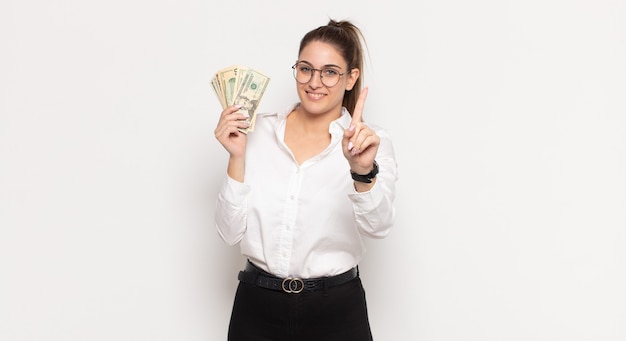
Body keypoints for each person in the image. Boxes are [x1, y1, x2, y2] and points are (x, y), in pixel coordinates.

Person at [213, 19, 398, 341]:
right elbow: (228, 233)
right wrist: (236, 156)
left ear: (351, 77)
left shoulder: (371, 142)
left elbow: (378, 227)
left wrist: (361, 171)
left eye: (330, 71)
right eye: (305, 69)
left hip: (337, 310)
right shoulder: (257, 133)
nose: (315, 82)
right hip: (257, 307)